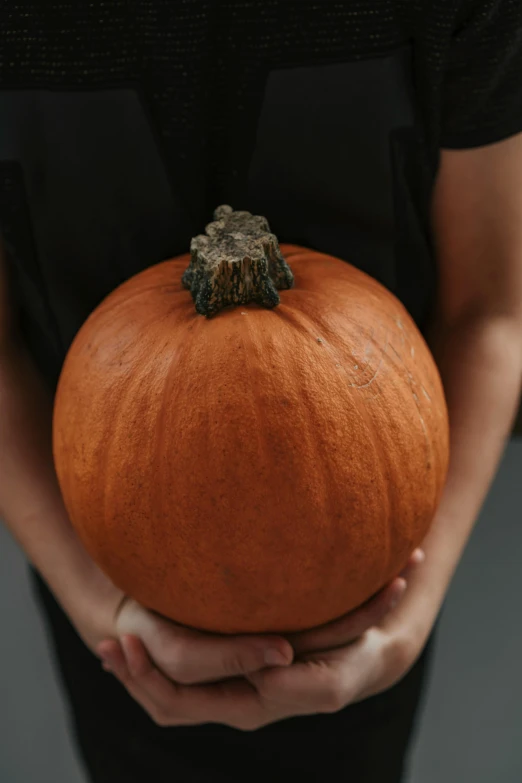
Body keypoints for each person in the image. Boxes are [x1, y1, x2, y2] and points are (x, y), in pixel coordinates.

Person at [1, 2, 522, 782]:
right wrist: (101, 608)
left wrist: (406, 623)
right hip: (106, 574)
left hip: (377, 588)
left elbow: (490, 312)